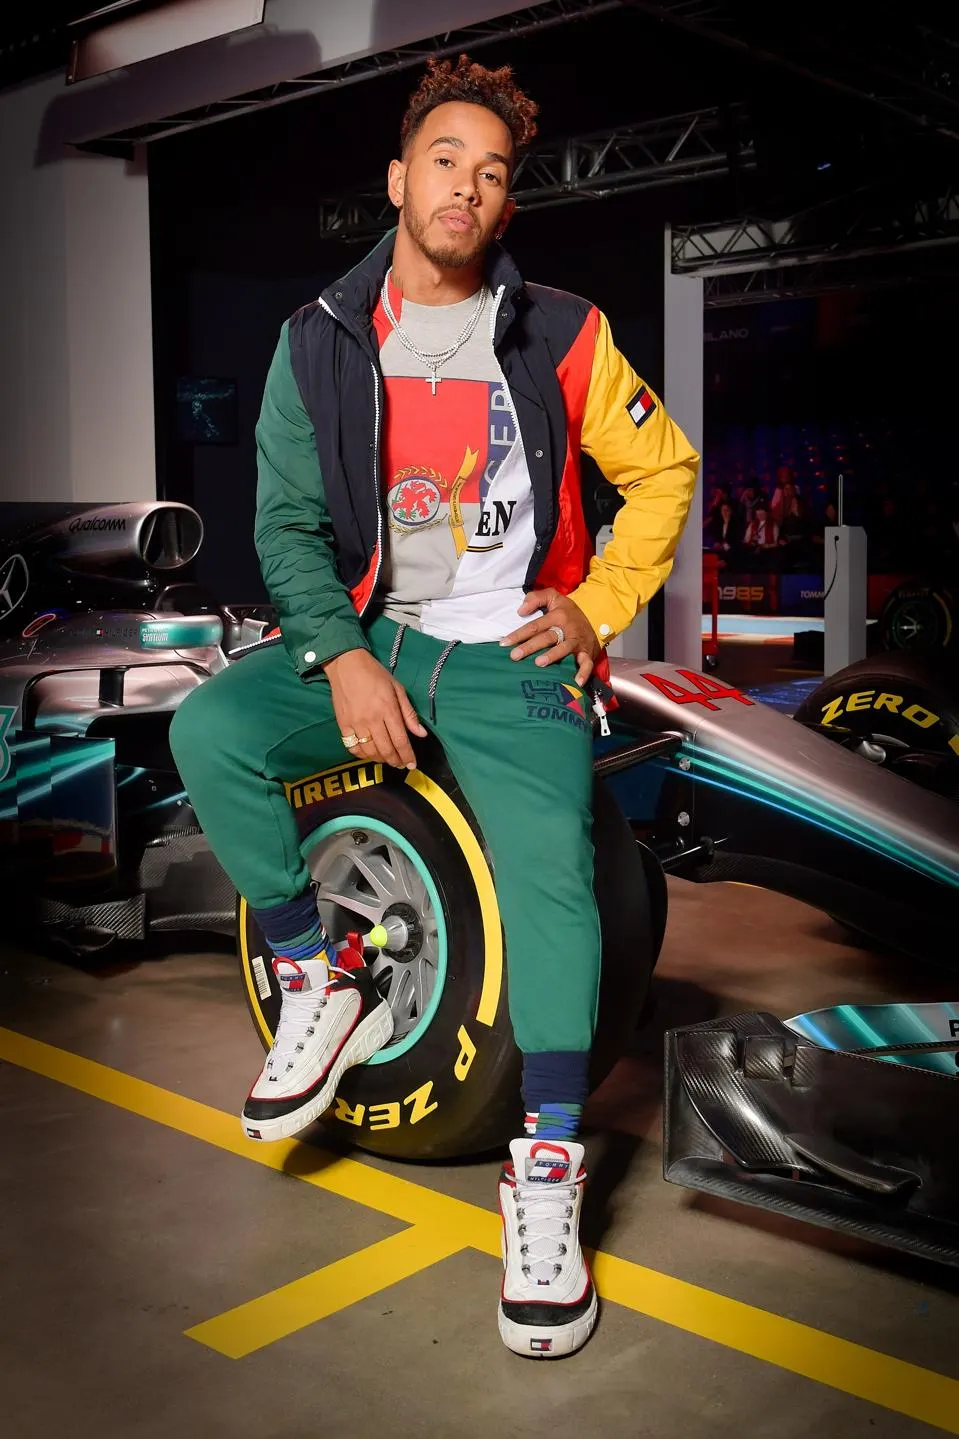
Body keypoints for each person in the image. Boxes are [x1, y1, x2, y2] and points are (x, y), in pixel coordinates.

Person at [169, 55, 698, 1360]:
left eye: (493, 173)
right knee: (212, 732)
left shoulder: (563, 332)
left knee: (555, 886)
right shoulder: (318, 338)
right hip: (385, 639)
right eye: (446, 161)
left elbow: (664, 469)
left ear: (507, 203)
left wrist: (598, 604)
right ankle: (316, 972)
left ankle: (548, 1166)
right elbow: (286, 528)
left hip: (515, 656)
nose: (468, 186)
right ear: (399, 180)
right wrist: (343, 657)